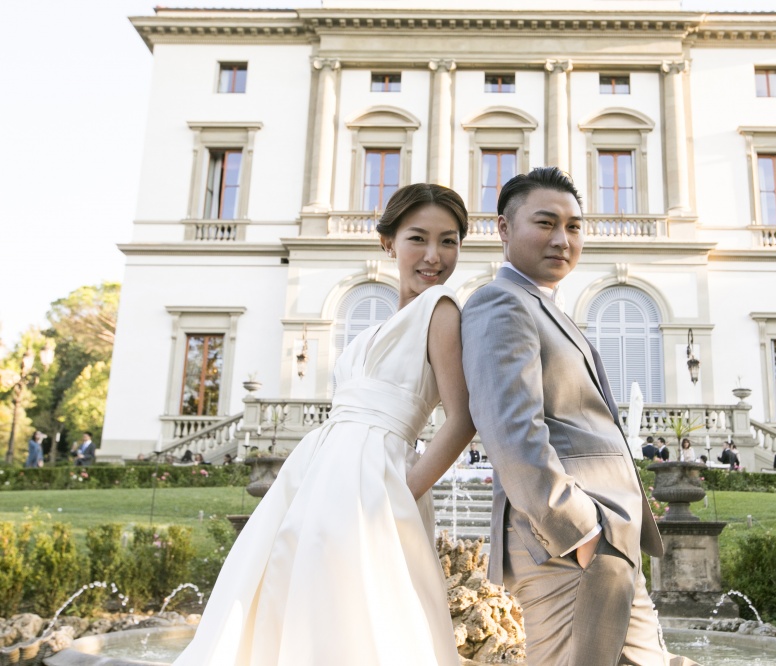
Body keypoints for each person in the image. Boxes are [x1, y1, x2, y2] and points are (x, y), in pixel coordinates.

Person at [173, 183, 476, 666]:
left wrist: (402, 491)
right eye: (418, 238)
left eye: (449, 241)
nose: (434, 256)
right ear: (388, 242)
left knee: (360, 607)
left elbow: (462, 419)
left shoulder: (440, 309)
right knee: (293, 592)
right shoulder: (376, 326)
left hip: (377, 481)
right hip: (318, 472)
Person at [463, 167, 667, 666]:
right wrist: (581, 531)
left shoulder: (544, 305)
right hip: (565, 542)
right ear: (504, 229)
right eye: (546, 223)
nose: (563, 239)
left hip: (603, 536)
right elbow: (513, 432)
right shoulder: (500, 303)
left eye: (574, 226)